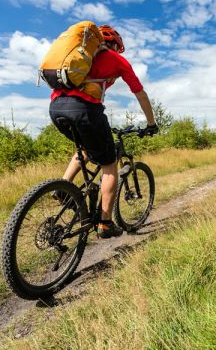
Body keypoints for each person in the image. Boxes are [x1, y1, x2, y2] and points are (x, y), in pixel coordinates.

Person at [49, 24, 158, 238]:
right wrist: (151, 123)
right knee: (109, 163)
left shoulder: (76, 55)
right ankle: (106, 224)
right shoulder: (116, 60)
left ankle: (63, 187)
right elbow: (140, 93)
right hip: (85, 110)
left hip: (56, 108)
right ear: (115, 45)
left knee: (85, 149)